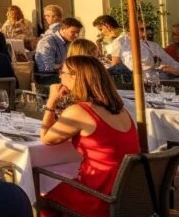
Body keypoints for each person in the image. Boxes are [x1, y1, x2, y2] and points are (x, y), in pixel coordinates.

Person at [39, 56, 140, 217]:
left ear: (75, 77)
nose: (59, 77)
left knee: (40, 181)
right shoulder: (122, 110)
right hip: (129, 194)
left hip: (99, 198)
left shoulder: (80, 111)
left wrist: (51, 102)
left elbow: (45, 137)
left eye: (62, 72)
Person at [108, 20, 179, 76]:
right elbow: (132, 66)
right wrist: (161, 67)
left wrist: (174, 69)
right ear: (129, 30)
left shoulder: (153, 45)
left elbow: (172, 63)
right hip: (134, 85)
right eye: (141, 29)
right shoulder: (122, 44)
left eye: (146, 29)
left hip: (156, 82)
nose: (145, 33)